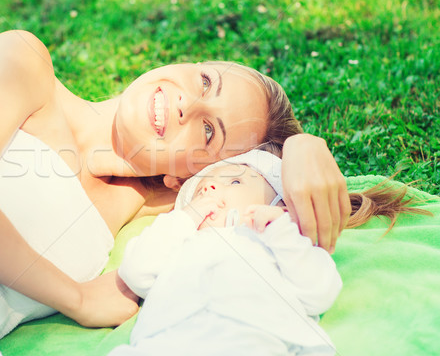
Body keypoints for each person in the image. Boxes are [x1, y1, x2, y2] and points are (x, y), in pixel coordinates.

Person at [0, 30, 347, 354]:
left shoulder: (164, 204)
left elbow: (283, 207)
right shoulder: (27, 66)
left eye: (209, 131)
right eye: (204, 80)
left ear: (192, 176)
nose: (185, 104)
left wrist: (302, 146)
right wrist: (79, 299)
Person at [110, 149, 422, 356]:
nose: (211, 191)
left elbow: (320, 291)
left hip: (259, 339)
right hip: (168, 343)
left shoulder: (277, 242)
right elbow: (136, 272)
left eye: (233, 181)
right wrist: (183, 219)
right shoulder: (176, 243)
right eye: (202, 190)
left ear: (281, 204)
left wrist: (282, 232)